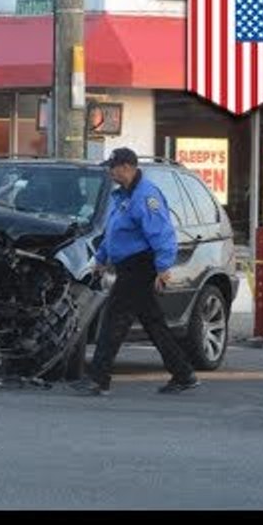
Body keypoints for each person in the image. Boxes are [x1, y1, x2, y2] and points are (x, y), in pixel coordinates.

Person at [71, 147, 200, 396]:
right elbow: (114, 232)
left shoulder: (146, 196)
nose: (110, 172)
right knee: (153, 323)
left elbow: (162, 233)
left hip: (140, 265)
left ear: (127, 167)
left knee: (113, 319)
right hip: (128, 265)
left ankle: (98, 378)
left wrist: (163, 268)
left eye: (113, 167)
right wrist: (101, 258)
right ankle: (184, 374)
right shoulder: (122, 196)